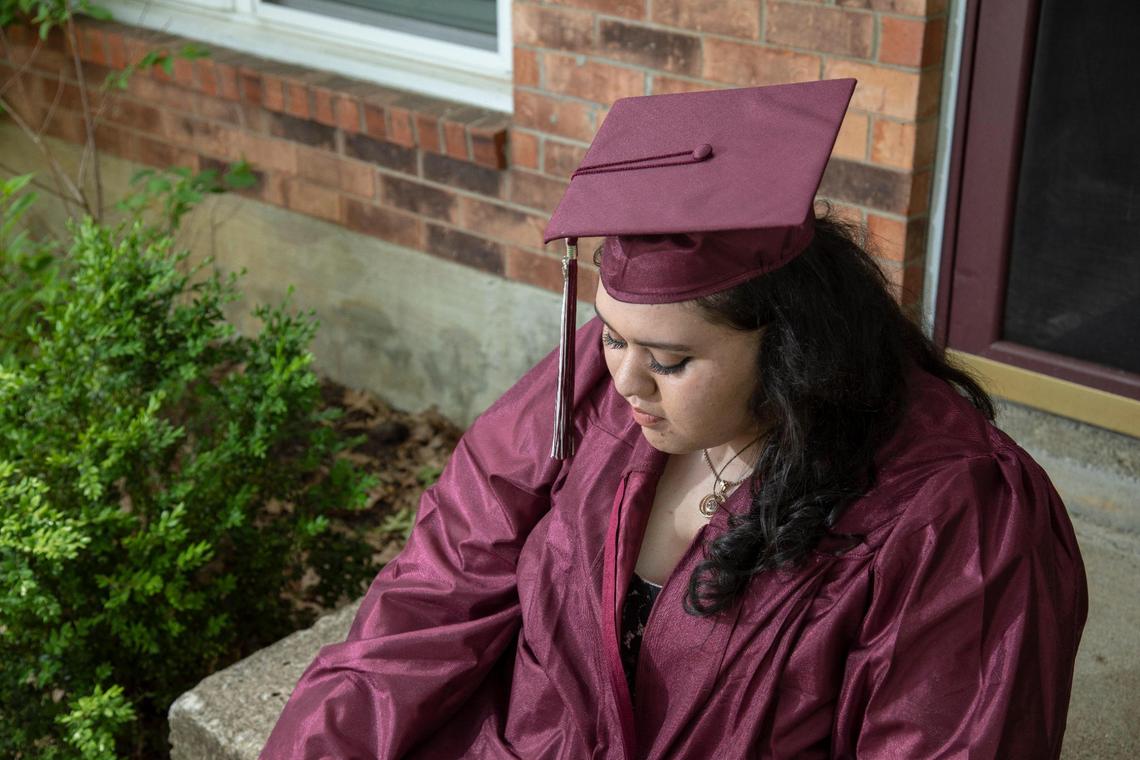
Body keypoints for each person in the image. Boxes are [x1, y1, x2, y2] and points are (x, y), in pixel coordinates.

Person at [261, 79, 1087, 759]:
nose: (624, 382)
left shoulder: (954, 512)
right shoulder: (593, 381)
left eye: (671, 361)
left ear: (791, 348)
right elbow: (438, 588)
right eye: (613, 336)